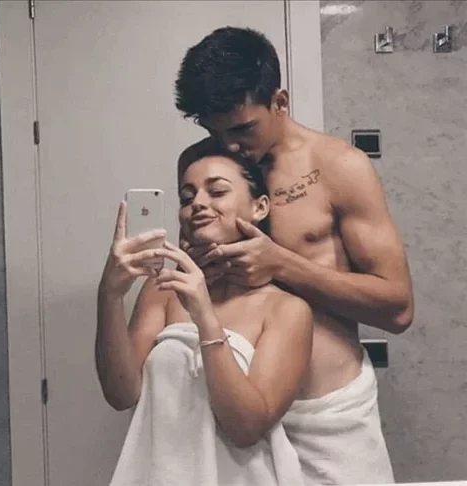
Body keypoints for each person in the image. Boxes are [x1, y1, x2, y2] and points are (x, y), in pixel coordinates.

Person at [174, 26, 414, 484]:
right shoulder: (202, 165)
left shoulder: (339, 167)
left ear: (280, 102)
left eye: (243, 128)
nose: (228, 146)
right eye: (214, 130)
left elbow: (398, 308)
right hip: (233, 409)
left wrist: (281, 264)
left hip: (327, 414)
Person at [96, 149, 313, 486]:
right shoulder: (162, 289)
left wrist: (204, 315)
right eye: (187, 197)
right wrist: (109, 294)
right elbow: (121, 394)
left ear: (259, 207)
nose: (197, 203)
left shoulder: (287, 310)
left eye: (217, 191)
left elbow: (245, 428)